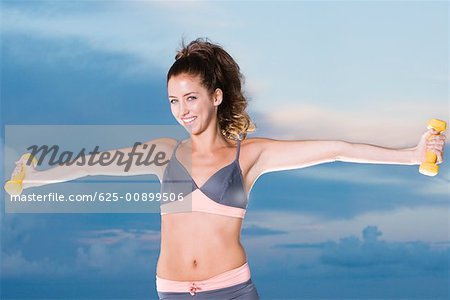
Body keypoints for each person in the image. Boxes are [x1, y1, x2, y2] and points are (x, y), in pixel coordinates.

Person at [10, 37, 446, 300]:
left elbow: (335, 149)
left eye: (191, 98)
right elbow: (94, 166)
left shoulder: (250, 156)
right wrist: (35, 177)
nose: (182, 110)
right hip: (173, 291)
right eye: (173, 101)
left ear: (215, 97)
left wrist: (410, 154)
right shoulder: (163, 152)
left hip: (233, 290)